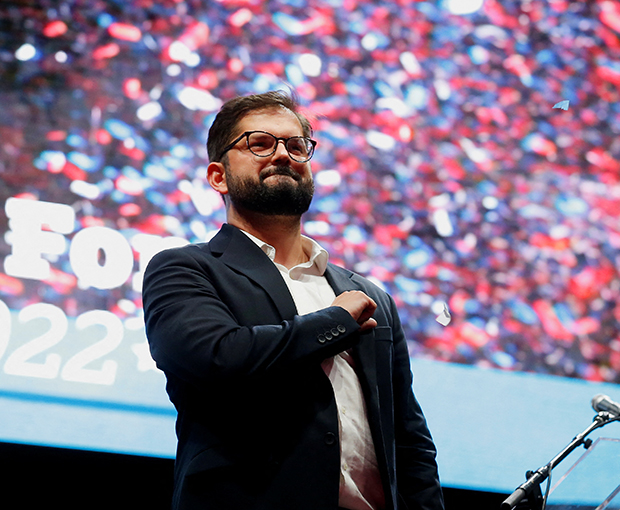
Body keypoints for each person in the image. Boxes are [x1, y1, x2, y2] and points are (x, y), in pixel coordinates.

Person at [142, 90, 444, 510]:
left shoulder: (370, 296)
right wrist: (336, 321)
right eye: (260, 143)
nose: (282, 154)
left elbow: (408, 440)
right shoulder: (185, 269)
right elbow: (217, 358)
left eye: (296, 145)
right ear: (218, 176)